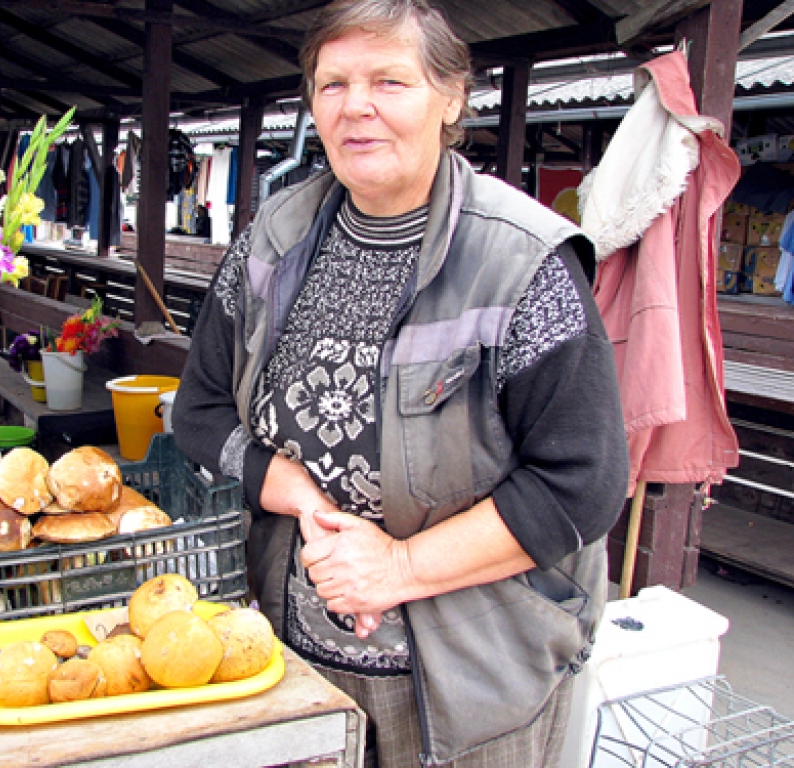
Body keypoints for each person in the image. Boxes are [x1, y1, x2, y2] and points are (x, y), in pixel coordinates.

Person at [172, 1, 628, 765]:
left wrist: (398, 569)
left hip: (473, 689)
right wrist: (293, 490)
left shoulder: (523, 262)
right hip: (291, 664)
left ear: (451, 98)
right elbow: (200, 411)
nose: (357, 106)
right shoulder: (272, 240)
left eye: (389, 81)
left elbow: (583, 484)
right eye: (333, 84)